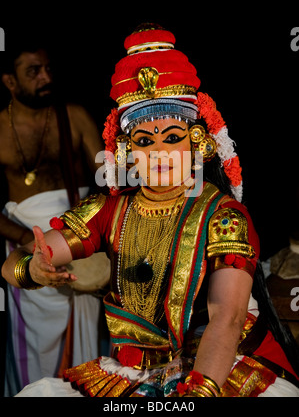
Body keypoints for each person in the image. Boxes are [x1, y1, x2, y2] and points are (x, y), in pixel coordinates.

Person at [2, 24, 299, 398]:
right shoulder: (110, 209)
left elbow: (228, 316)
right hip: (136, 374)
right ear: (126, 152)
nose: (158, 152)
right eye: (144, 141)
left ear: (198, 144)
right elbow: (16, 264)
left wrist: (195, 396)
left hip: (219, 367)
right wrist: (33, 268)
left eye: (172, 137)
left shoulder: (223, 216)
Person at [0, 34, 109, 396]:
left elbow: (107, 179)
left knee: (87, 351)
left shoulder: (73, 116)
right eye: (33, 71)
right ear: (9, 81)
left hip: (78, 240)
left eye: (48, 68)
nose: (45, 77)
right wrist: (26, 242)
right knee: (35, 353)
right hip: (26, 243)